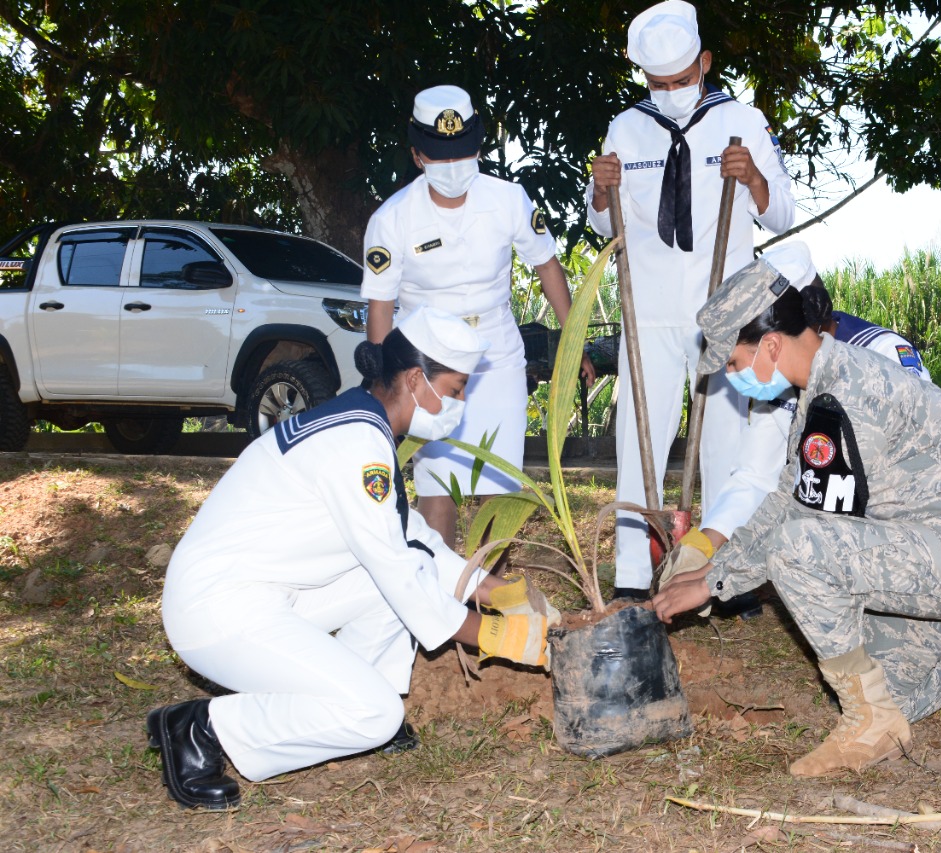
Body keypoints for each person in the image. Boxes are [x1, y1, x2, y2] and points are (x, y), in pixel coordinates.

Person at [653, 251, 941, 777]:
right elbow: (788, 494)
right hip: (922, 551)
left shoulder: (845, 396)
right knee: (898, 698)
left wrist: (712, 584)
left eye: (731, 362)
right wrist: (709, 567)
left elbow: (798, 529)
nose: (731, 376)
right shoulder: (823, 385)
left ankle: (867, 719)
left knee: (797, 550)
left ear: (770, 345)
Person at [146, 308, 556, 810]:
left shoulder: (364, 422)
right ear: (414, 379)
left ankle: (363, 701)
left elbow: (412, 540)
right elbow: (398, 572)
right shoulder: (358, 444)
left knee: (395, 584)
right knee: (373, 708)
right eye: (454, 390)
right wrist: (497, 634)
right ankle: (202, 728)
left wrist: (495, 593)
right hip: (218, 612)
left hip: (267, 594)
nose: (460, 403)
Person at [585, 0, 797, 600]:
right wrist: (601, 193)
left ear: (704, 63)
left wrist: (753, 177)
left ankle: (725, 575)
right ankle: (632, 576)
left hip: (723, 308)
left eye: (682, 80)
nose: (673, 92)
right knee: (637, 437)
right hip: (646, 305)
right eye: (660, 84)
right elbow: (604, 225)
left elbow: (780, 213)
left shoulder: (743, 120)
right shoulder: (626, 127)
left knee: (728, 443)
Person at [361, 85, 595, 549]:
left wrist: (574, 344)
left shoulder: (508, 199)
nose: (452, 167)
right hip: (426, 368)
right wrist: (384, 386)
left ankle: (493, 600)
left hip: (496, 358)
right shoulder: (393, 218)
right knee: (438, 490)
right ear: (417, 154)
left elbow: (547, 265)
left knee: (497, 491)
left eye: (461, 153)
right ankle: (444, 605)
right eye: (440, 156)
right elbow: (381, 309)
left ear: (478, 147)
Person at [660, 243, 931, 620]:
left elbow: (890, 482)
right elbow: (757, 476)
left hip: (909, 536)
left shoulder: (882, 355)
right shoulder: (782, 379)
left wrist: (718, 577)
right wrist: (703, 546)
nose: (737, 372)